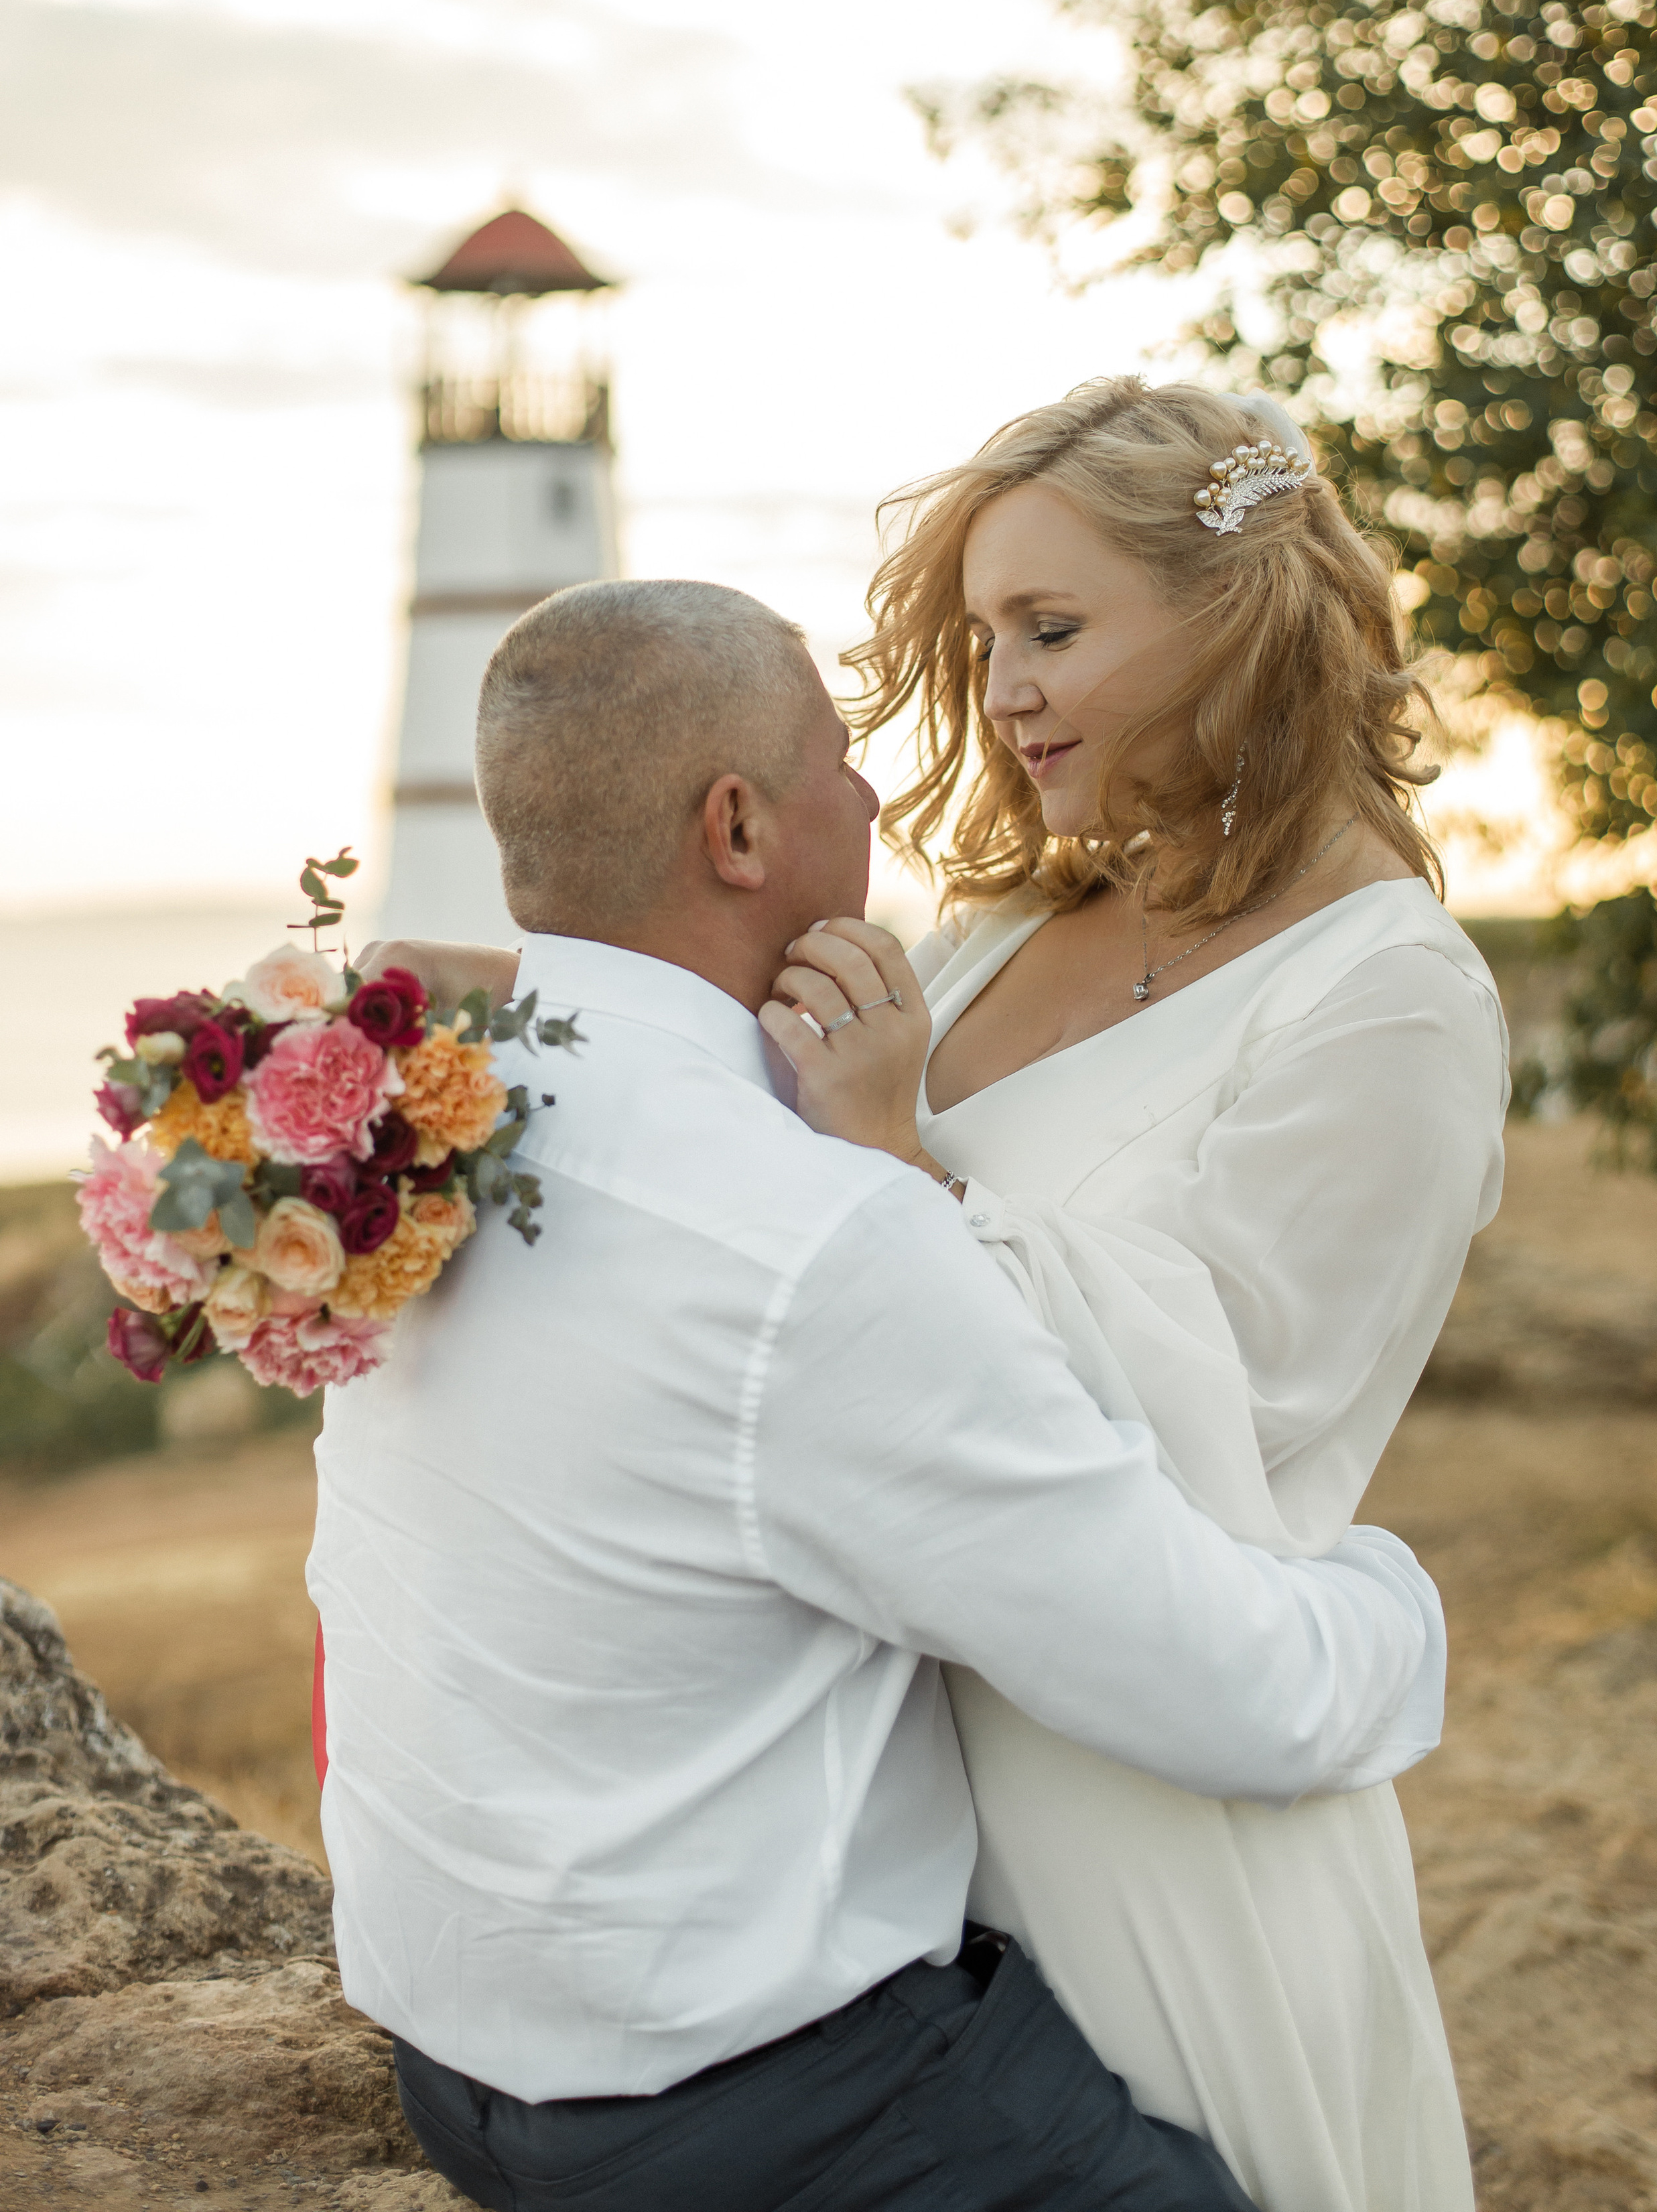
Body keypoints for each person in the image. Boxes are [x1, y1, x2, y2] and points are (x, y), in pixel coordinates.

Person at [321, 576, 1451, 2212]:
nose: (870, 793)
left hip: (457, 2060)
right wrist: (1393, 1600)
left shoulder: (425, 1123)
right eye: (837, 756)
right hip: (774, 2119)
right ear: (734, 828)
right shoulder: (811, 1239)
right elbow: (1238, 1697)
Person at [754, 380, 1506, 2212]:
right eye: (986, 633)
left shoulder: (1388, 995)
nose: (1000, 687)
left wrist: (896, 1159)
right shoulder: (1000, 931)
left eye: (1055, 629)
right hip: (894, 1788)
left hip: (1151, 1804)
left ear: (1231, 617)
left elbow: (1225, 1412)